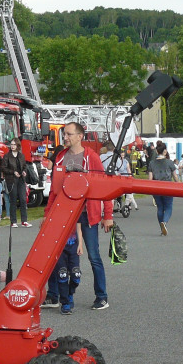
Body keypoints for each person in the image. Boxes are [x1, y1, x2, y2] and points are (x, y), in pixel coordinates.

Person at [54, 122, 113, 310]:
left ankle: (102, 296)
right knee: (54, 255)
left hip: (88, 215)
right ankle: (54, 295)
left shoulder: (91, 157)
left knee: (93, 256)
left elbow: (105, 187)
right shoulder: (60, 158)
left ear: (80, 136)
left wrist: (108, 215)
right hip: (64, 215)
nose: (65, 137)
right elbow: (55, 190)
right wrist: (48, 215)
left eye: (69, 134)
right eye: (64, 134)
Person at [54, 222, 84, 315]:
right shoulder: (57, 212)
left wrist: (80, 245)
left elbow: (78, 228)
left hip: (73, 248)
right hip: (59, 249)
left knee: (76, 276)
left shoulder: (74, 210)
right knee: (62, 275)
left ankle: (70, 293)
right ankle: (65, 303)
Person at [148, 141, 177, 236]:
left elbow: (150, 178)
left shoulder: (152, 163)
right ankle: (164, 222)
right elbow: (175, 176)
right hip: (168, 187)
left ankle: (161, 227)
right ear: (165, 151)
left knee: (160, 207)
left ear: (156, 151)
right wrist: (179, 184)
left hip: (156, 187)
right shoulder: (169, 162)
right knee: (168, 207)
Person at [1, 138, 31, 227]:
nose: (12, 146)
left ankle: (24, 220)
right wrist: (13, 172)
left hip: (21, 179)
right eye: (11, 144)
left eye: (14, 144)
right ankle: (13, 221)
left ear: (18, 146)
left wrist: (24, 171)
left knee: (23, 199)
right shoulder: (7, 156)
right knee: (13, 200)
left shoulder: (21, 156)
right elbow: (3, 168)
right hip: (11, 180)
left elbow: (25, 166)